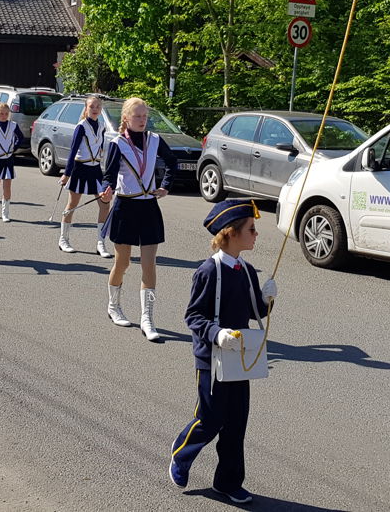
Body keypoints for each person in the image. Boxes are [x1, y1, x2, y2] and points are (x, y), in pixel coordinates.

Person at [169, 199, 277, 505]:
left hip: (239, 359)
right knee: (210, 418)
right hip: (212, 359)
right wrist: (217, 334)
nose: (256, 234)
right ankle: (181, 452)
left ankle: (227, 482)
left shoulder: (246, 271)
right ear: (230, 233)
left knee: (236, 422)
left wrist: (268, 300)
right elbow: (193, 316)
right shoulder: (208, 271)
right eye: (251, 229)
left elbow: (256, 309)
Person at [99, 97, 178, 342]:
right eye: (138, 117)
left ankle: (147, 318)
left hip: (148, 207)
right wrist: (107, 189)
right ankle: (114, 306)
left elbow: (172, 163)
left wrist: (165, 186)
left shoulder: (154, 140)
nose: (143, 120)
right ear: (126, 118)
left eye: (145, 116)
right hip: (125, 206)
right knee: (123, 263)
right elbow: (109, 175)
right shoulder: (118, 144)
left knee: (149, 264)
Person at [57, 96, 112, 256]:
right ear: (86, 109)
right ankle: (63, 239)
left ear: (101, 110)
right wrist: (67, 174)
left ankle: (101, 243)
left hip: (95, 170)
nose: (95, 109)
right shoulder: (81, 126)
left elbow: (101, 149)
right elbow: (73, 150)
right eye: (91, 106)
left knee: (105, 204)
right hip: (80, 169)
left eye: (97, 107)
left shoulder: (102, 126)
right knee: (72, 205)